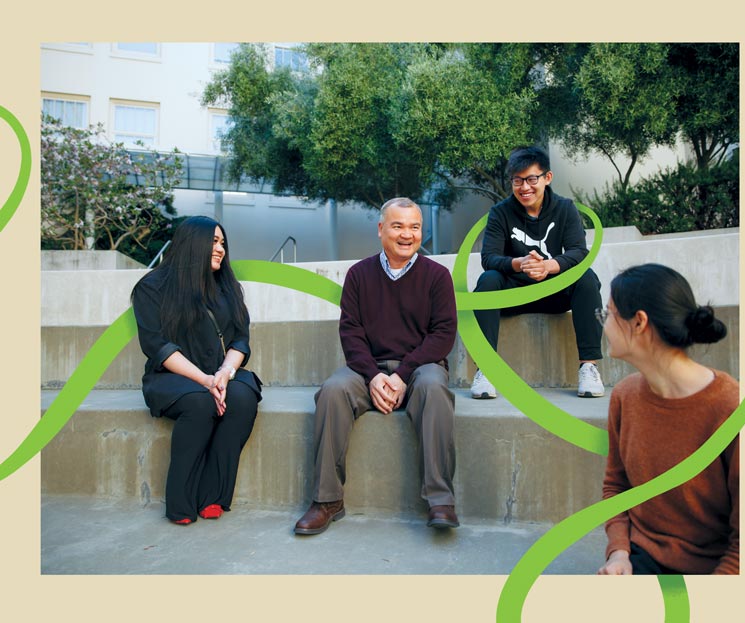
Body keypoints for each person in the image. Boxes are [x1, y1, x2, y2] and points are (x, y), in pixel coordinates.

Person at [294, 197, 459, 535]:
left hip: (420, 368)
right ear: (381, 229)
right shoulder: (358, 275)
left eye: (414, 227)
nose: (407, 234)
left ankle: (440, 500)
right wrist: (373, 377)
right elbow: (350, 332)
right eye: (398, 226)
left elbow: (442, 335)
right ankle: (327, 500)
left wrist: (401, 375)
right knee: (333, 390)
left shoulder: (437, 276)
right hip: (366, 367)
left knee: (433, 387)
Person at [597, 263, 738, 575]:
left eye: (607, 314)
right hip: (642, 559)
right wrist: (619, 554)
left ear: (639, 322)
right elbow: (616, 485)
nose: (604, 325)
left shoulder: (732, 407)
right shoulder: (624, 396)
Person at [131, 216, 262, 525]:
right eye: (213, 242)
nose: (220, 249)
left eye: (222, 243)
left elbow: (241, 340)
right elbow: (156, 345)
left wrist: (224, 374)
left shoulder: (228, 287)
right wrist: (205, 381)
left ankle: (213, 496)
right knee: (200, 402)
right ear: (192, 244)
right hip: (171, 377)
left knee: (242, 398)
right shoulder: (152, 288)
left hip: (220, 372)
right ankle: (181, 501)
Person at [469, 145, 604, 399]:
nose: (524, 187)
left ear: (547, 178)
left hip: (553, 292)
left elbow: (578, 252)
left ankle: (589, 367)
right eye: (517, 181)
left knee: (587, 278)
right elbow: (489, 258)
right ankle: (485, 370)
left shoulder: (565, 208)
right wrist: (520, 263)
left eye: (532, 179)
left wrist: (548, 266)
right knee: (487, 280)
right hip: (514, 294)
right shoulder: (500, 212)